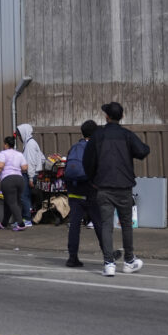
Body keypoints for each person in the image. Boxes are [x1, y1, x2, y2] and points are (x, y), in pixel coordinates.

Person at [83, 101, 151, 277]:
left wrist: (93, 180)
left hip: (103, 186)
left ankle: (109, 263)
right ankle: (129, 260)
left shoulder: (98, 136)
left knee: (106, 225)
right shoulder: (127, 135)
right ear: (121, 117)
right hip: (124, 186)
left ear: (107, 116)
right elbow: (142, 151)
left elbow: (87, 161)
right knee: (126, 224)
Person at [64, 120, 106, 267]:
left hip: (74, 192)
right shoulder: (95, 148)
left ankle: (72, 257)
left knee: (74, 225)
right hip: (90, 191)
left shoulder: (74, 147)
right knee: (99, 223)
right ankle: (108, 256)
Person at [0, 135, 29, 231]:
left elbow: (0, 166)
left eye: (4, 144)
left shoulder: (3, 153)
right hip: (20, 179)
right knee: (10, 202)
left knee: (12, 202)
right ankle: (4, 223)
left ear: (6, 144)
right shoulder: (19, 154)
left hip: (8, 180)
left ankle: (21, 224)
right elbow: (25, 167)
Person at [15, 123, 45, 226]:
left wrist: (31, 177)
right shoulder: (31, 143)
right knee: (26, 196)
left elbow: (30, 163)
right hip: (31, 174)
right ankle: (27, 217)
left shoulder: (30, 145)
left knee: (24, 196)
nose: (19, 138)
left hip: (29, 175)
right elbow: (42, 158)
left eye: (19, 135)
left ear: (24, 133)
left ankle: (27, 219)